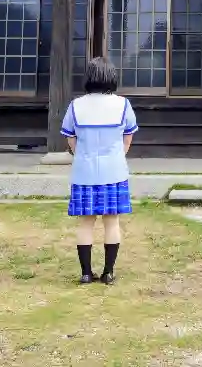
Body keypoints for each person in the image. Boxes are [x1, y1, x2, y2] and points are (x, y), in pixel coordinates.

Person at [60, 56, 138, 285]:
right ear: (112, 77)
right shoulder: (123, 105)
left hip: (84, 172)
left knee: (85, 222)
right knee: (112, 221)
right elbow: (127, 138)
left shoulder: (76, 105)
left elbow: (70, 139)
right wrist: (116, 156)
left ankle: (86, 273)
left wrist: (83, 156)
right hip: (114, 171)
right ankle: (108, 272)